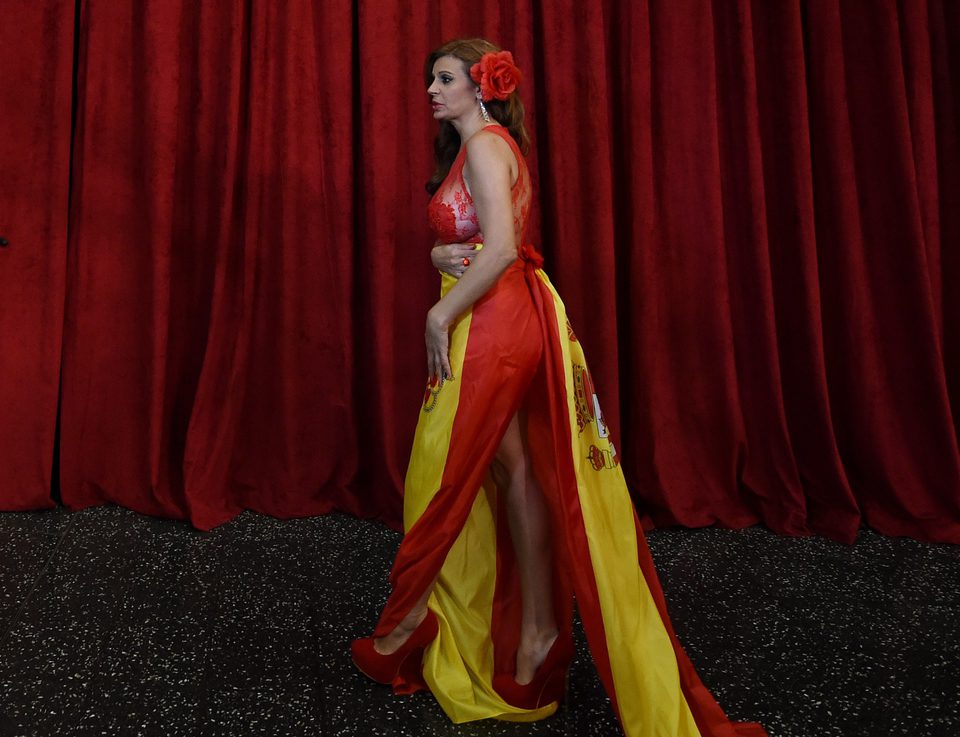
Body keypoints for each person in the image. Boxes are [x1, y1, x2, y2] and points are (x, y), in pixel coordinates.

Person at [351, 38, 768, 737]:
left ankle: (407, 630)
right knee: (513, 470)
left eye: (445, 77)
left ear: (481, 87)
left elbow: (506, 250)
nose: (430, 86)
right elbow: (483, 238)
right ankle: (538, 638)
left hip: (493, 322)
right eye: (430, 76)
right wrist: (436, 256)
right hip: (503, 313)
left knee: (441, 468)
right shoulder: (474, 146)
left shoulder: (484, 145)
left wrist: (440, 310)